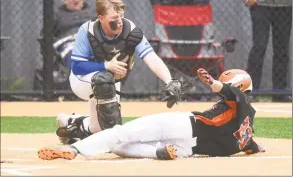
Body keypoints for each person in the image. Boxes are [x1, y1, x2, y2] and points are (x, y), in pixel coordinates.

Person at [38, 68, 265, 161]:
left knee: (120, 133)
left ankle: (74, 148)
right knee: (118, 147)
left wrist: (213, 83)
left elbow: (229, 92)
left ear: (239, 89)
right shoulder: (245, 133)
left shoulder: (239, 99)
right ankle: (157, 153)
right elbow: (250, 143)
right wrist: (256, 147)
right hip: (189, 149)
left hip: (183, 125)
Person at [54, 0, 182, 145]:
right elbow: (76, 67)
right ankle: (115, 142)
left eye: (121, 17)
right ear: (100, 18)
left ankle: (72, 122)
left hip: (108, 81)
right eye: (114, 19)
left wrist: (169, 80)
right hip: (82, 81)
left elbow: (151, 57)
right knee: (105, 81)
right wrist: (106, 65)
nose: (119, 22)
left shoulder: (130, 30)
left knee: (98, 129)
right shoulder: (87, 30)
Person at [231, 0, 292, 102]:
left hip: (285, 5)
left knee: (282, 50)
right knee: (259, 47)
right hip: (260, 5)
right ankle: (250, 91)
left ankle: (280, 93)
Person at [35, 0, 96, 90]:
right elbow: (45, 35)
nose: (75, 0)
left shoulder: (91, 13)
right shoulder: (57, 14)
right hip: (67, 42)